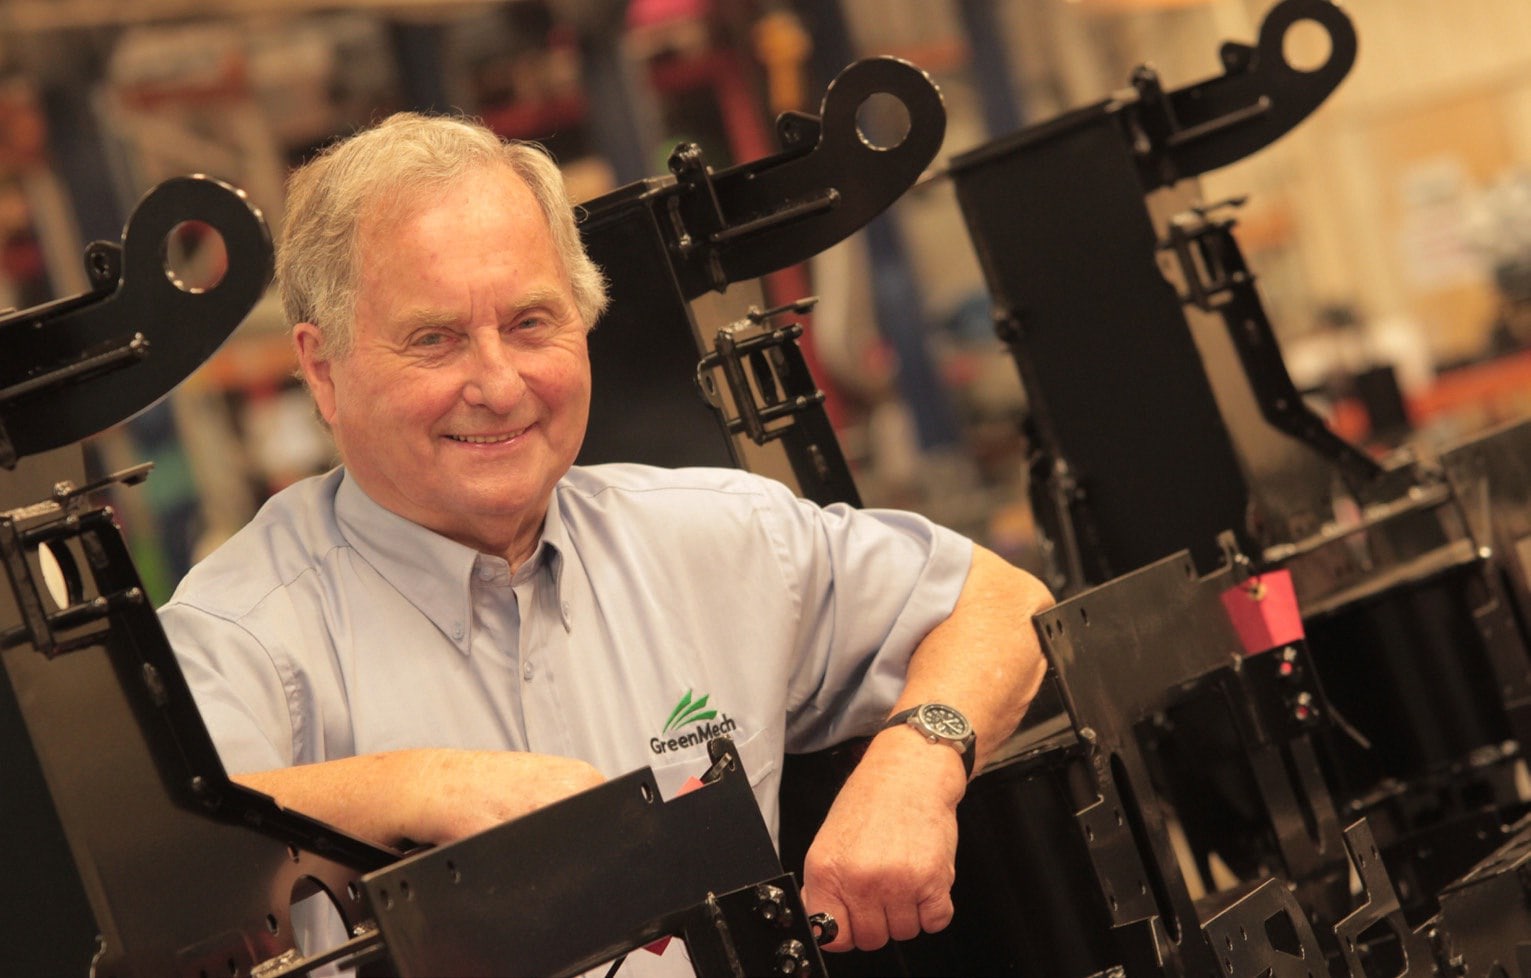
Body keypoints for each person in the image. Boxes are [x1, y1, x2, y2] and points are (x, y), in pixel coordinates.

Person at [159, 112, 1053, 972]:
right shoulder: (242, 634)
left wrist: (913, 766)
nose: (499, 385)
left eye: (530, 324)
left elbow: (1001, 602)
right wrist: (411, 787)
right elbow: (155, 863)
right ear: (322, 368)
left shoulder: (715, 539)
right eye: (435, 340)